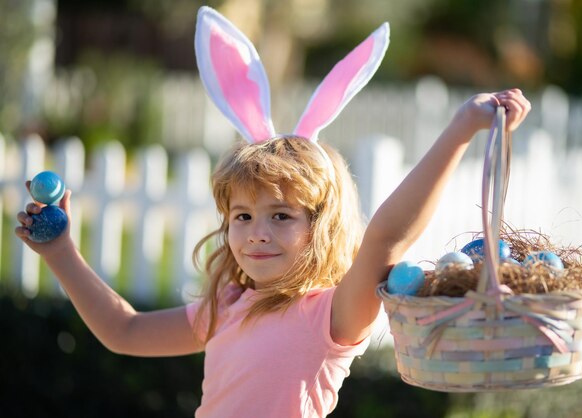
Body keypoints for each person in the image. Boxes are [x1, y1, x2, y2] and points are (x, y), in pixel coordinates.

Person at [15, 6, 531, 418]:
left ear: (320, 224)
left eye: (281, 216)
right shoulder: (227, 306)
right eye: (242, 216)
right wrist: (60, 252)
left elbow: (384, 241)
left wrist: (462, 129)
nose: (256, 233)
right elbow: (124, 332)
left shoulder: (329, 316)